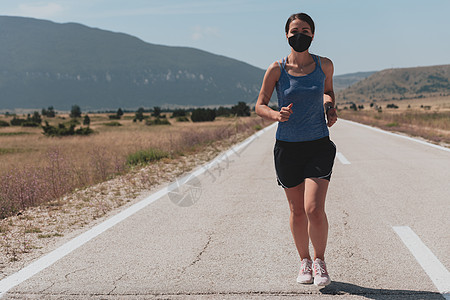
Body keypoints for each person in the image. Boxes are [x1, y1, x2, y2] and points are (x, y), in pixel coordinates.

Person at [255, 12, 338, 287]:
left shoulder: (324, 65)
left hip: (318, 144)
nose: (299, 34)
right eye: (294, 30)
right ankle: (304, 261)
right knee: (297, 211)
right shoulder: (276, 69)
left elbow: (328, 91)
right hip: (287, 147)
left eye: (304, 29)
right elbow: (260, 104)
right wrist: (275, 115)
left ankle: (320, 262)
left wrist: (329, 107)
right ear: (287, 35)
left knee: (314, 208)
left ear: (312, 35)